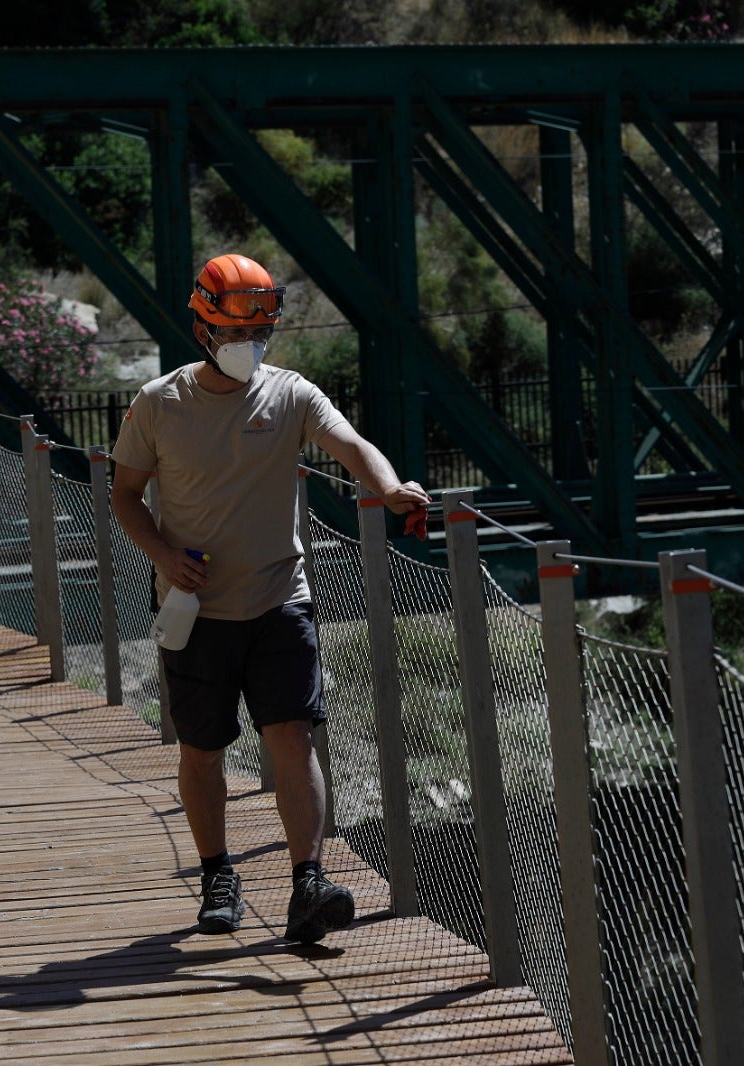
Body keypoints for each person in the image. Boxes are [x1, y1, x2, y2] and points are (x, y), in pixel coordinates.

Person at [108, 253, 429, 943]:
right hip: (197, 611)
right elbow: (125, 496)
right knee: (202, 749)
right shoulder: (158, 404)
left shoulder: (292, 395)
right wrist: (163, 555)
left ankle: (308, 882)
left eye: (258, 336)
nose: (247, 349)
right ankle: (218, 873)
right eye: (233, 336)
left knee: (291, 735)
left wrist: (390, 487)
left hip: (282, 598)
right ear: (203, 331)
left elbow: (352, 443)